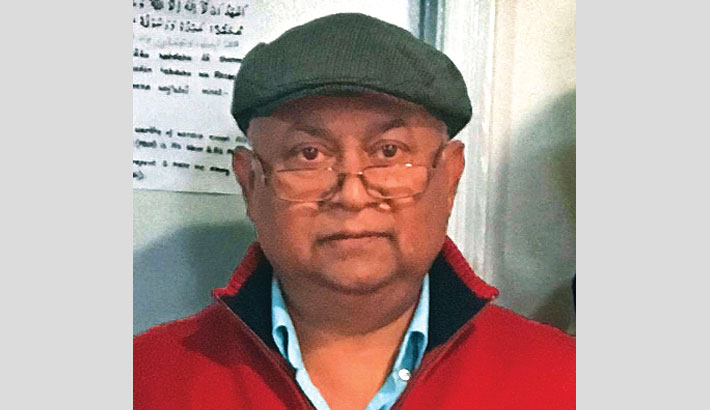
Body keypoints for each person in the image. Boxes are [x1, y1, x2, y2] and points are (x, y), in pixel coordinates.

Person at [134, 13, 575, 410]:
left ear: (450, 176)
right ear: (250, 182)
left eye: (389, 151)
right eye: (308, 154)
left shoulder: (566, 382)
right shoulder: (143, 382)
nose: (352, 195)